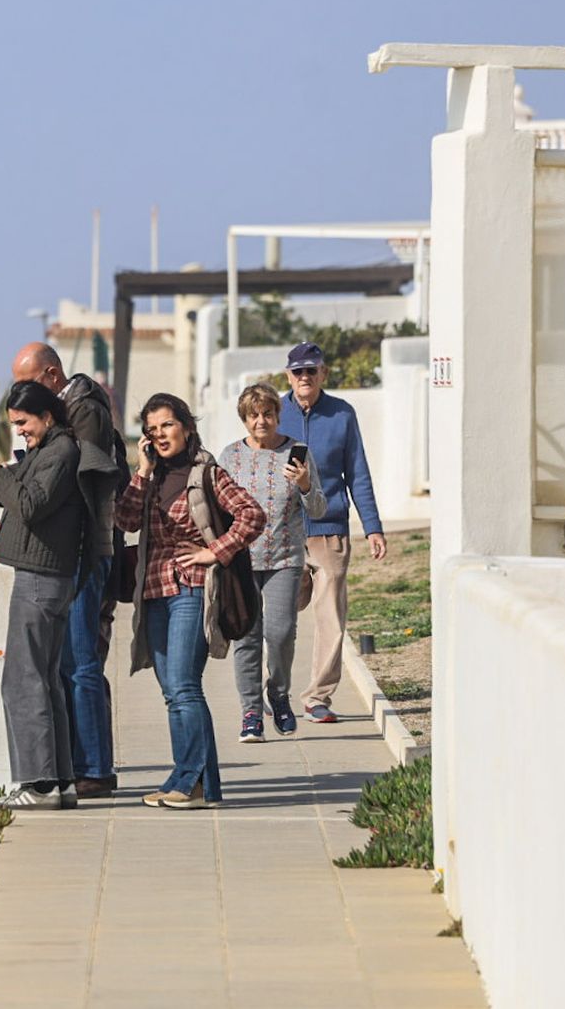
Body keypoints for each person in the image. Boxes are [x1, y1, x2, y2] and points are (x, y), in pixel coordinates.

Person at [0, 380, 118, 810]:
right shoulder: (47, 451)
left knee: (22, 681)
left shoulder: (61, 452)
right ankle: (61, 781)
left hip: (41, 578)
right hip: (42, 576)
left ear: (47, 415)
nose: (20, 431)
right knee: (45, 679)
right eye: (13, 424)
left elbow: (29, 506)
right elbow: (10, 492)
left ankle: (40, 783)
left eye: (24, 422)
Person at [116, 393, 263, 809]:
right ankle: (202, 787)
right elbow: (124, 520)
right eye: (151, 429)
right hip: (154, 592)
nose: (159, 435)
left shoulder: (207, 474)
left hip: (192, 589)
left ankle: (188, 781)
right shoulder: (153, 477)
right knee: (173, 692)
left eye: (166, 425)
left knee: (183, 687)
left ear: (186, 426)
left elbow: (252, 515)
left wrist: (215, 551)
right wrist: (142, 471)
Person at [11, 342, 129, 798]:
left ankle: (96, 769)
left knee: (81, 663)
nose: (22, 394)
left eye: (28, 383)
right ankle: (82, 763)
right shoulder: (70, 413)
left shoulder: (83, 413)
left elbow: (71, 480)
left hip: (85, 551)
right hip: (69, 554)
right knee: (66, 664)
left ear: (52, 375)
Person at [279, 341, 387, 724]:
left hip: (329, 533)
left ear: (323, 373)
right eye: (298, 372)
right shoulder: (274, 413)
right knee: (281, 614)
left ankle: (316, 697)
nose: (305, 377)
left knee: (330, 617)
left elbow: (357, 473)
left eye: (312, 370)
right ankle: (274, 691)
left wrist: (372, 527)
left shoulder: (342, 414)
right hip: (284, 533)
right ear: (288, 375)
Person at [219, 383, 327, 741]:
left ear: (278, 416)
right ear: (244, 420)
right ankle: (251, 712)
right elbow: (218, 507)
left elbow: (319, 508)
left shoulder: (297, 453)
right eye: (253, 415)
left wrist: (307, 484)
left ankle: (278, 694)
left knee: (279, 633)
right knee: (246, 637)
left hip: (285, 558)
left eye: (267, 414)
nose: (261, 421)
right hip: (241, 560)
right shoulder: (230, 456)